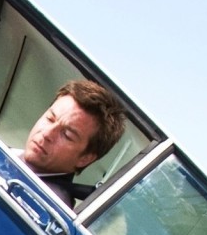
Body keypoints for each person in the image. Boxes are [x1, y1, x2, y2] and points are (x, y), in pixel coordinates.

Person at [15, 78, 128, 206]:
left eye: (67, 135)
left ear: (85, 158)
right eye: (50, 119)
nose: (47, 134)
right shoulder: (1, 148)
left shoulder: (47, 208)